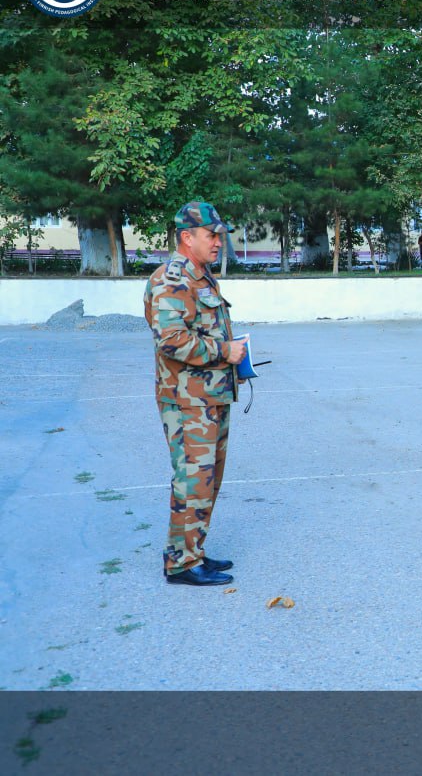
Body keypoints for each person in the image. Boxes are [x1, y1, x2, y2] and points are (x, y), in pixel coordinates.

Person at [143, 201, 247, 587]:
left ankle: (191, 551)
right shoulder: (171, 280)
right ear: (187, 237)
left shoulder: (201, 276)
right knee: (192, 480)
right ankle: (182, 564)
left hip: (210, 396)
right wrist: (224, 351)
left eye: (220, 235)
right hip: (187, 401)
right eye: (211, 235)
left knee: (207, 481)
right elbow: (171, 340)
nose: (219, 242)